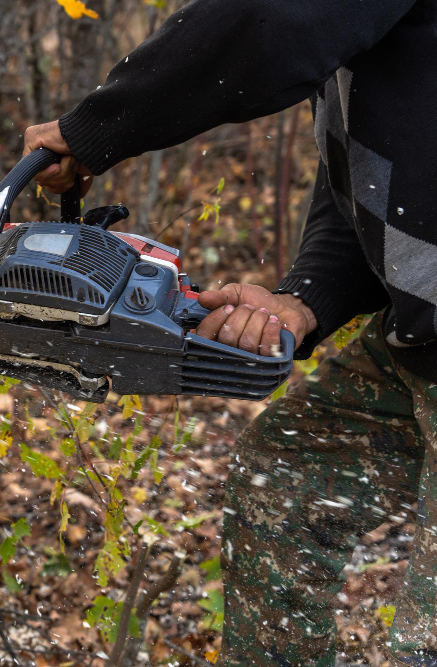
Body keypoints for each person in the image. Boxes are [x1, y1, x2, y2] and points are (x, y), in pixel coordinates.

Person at [23, 1, 437, 664]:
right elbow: (381, 171)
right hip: (422, 345)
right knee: (288, 478)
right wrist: (305, 300)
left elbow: (273, 23)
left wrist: (97, 126)